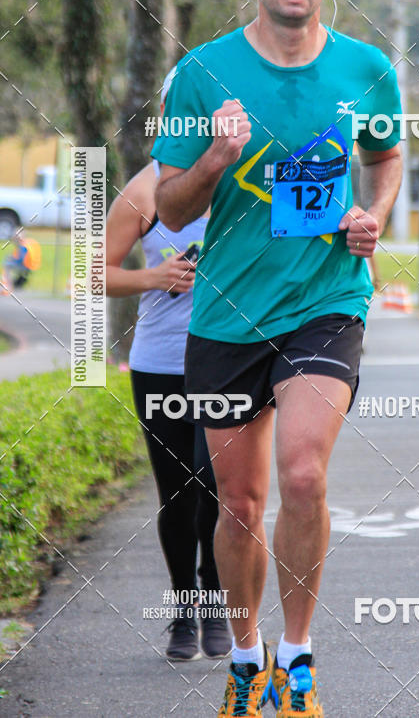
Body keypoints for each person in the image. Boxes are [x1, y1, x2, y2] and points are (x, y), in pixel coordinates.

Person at [152, 0, 403, 717]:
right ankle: (246, 658)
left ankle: (297, 661)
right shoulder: (202, 74)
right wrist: (218, 158)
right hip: (226, 313)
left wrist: (375, 216)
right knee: (240, 504)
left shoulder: (366, 70)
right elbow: (168, 202)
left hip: (326, 300)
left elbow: (387, 151)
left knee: (302, 472)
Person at [106, 72, 230, 663]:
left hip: (233, 357)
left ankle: (215, 598)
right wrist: (153, 278)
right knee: (179, 493)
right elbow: (93, 273)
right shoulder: (144, 190)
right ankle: (184, 609)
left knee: (223, 490)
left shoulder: (247, 178)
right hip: (161, 362)